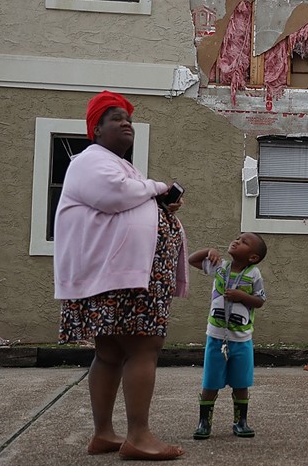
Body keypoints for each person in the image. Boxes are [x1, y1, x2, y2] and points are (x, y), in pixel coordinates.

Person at [53, 90, 188, 461]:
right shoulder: (91, 161)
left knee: (110, 351)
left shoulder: (118, 164)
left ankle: (104, 435)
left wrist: (158, 203)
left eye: (128, 118)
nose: (126, 122)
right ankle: (139, 437)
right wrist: (158, 188)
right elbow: (114, 195)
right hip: (122, 276)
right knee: (144, 347)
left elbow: (127, 197)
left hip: (119, 275)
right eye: (115, 118)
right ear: (95, 129)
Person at [188, 232, 268, 440]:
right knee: (210, 383)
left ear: (253, 257)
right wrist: (208, 251)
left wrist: (242, 296)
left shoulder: (254, 274)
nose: (236, 241)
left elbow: (259, 301)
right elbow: (192, 260)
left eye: (244, 242)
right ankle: (204, 422)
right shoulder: (220, 267)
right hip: (216, 337)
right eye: (237, 238)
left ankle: (241, 422)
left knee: (241, 383)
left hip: (241, 339)